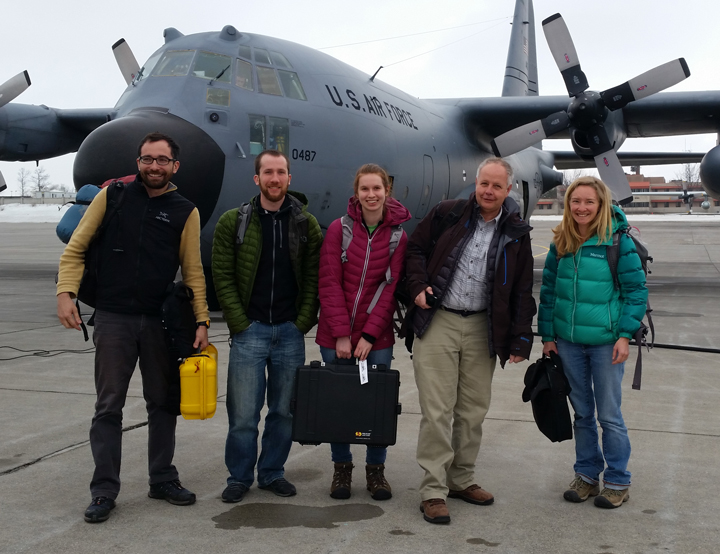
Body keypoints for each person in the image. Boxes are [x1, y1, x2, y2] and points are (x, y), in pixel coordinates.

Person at [57, 132, 210, 523]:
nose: (154, 166)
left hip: (160, 322)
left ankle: (162, 478)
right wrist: (66, 293)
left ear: (175, 166)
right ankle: (104, 490)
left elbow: (193, 271)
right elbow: (75, 248)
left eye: (162, 160)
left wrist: (202, 320)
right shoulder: (113, 197)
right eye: (147, 159)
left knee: (163, 403)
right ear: (138, 162)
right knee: (109, 406)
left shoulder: (185, 211)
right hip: (113, 319)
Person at [405, 157, 536, 524]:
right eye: (484, 184)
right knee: (437, 410)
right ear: (476, 184)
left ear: (508, 190)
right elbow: (413, 251)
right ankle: (433, 489)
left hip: (483, 328)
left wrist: (520, 339)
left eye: (497, 186)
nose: (488, 191)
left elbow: (523, 290)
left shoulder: (516, 233)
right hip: (440, 321)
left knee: (472, 411)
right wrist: (417, 289)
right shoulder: (447, 213)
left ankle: (461, 479)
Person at [211, 149, 322, 503]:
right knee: (243, 414)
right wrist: (239, 323)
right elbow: (223, 275)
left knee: (284, 411)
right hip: (251, 332)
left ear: (290, 178)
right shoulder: (234, 221)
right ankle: (239, 477)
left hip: (290, 332)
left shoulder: (306, 224)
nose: (275, 179)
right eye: (268, 173)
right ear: (257, 179)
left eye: (281, 172)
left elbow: (315, 278)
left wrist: (303, 321)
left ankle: (272, 472)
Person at [538, 176, 647, 509]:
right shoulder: (562, 242)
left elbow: (636, 292)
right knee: (582, 414)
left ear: (601, 206)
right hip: (568, 343)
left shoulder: (618, 242)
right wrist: (547, 336)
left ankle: (617, 480)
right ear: (568, 204)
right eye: (575, 201)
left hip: (605, 343)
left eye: (589, 202)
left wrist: (625, 336)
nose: (581, 208)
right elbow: (548, 292)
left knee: (609, 416)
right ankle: (586, 475)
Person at [315, 163, 411, 501]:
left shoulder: (398, 235)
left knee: (376, 407)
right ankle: (342, 468)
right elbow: (328, 283)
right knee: (338, 404)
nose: (371, 195)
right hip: (334, 335)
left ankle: (376, 470)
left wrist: (369, 336)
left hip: (378, 337)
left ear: (387, 191)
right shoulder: (338, 230)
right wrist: (342, 334)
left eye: (377, 189)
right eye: (365, 189)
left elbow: (391, 289)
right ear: (356, 194)